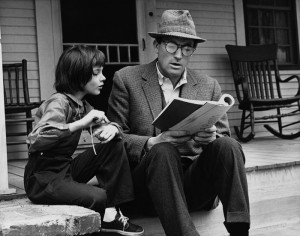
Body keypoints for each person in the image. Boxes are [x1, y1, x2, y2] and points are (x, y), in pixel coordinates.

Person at [107, 10, 250, 236]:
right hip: (148, 186)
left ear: (192, 50)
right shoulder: (127, 79)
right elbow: (114, 138)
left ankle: (240, 231)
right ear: (157, 44)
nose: (178, 55)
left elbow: (224, 141)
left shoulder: (208, 85)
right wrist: (151, 142)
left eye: (187, 48)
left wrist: (212, 138)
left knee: (229, 146)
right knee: (163, 150)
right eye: (171, 46)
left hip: (193, 184)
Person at [24, 45, 144, 236]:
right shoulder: (58, 102)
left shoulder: (82, 105)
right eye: (97, 73)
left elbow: (109, 130)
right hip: (42, 179)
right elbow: (37, 138)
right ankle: (106, 215)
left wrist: (112, 128)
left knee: (114, 144)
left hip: (65, 170)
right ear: (78, 75)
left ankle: (113, 212)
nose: (103, 78)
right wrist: (81, 123)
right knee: (98, 196)